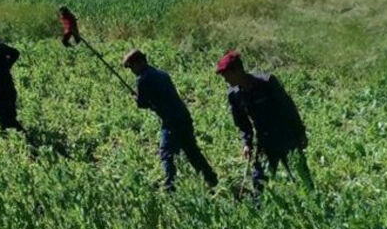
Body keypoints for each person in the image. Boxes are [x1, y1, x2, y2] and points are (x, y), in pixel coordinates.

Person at [123, 49, 218, 191]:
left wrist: (136, 98)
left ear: (140, 62)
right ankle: (211, 179)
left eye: (132, 67)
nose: (132, 71)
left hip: (171, 122)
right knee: (192, 151)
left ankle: (170, 186)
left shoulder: (142, 79)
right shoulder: (161, 73)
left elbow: (142, 104)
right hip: (183, 116)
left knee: (166, 153)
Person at [216, 50, 311, 190]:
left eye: (227, 75)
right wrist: (247, 142)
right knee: (259, 179)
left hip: (286, 136)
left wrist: (300, 132)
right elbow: (242, 122)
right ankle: (258, 203)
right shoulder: (234, 95)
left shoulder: (267, 82)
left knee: (301, 175)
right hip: (265, 140)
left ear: (238, 71)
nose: (225, 80)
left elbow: (288, 108)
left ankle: (313, 200)